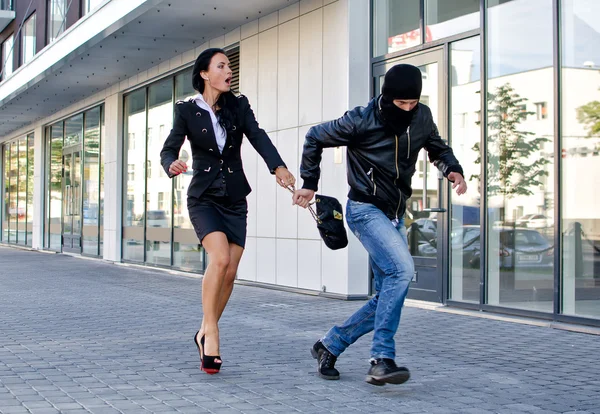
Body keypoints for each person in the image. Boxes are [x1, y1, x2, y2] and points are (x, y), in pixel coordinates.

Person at [293, 64, 466, 386]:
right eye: (401, 104)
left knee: (390, 290)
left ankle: (330, 345)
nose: (408, 109)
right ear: (387, 98)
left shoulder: (422, 116)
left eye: (413, 103)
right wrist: (309, 182)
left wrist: (451, 168)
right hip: (364, 209)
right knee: (401, 272)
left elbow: (436, 146)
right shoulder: (361, 119)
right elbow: (314, 136)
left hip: (395, 212)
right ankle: (381, 358)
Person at [161, 48, 295, 374]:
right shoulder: (187, 111)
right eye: (221, 66)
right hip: (204, 197)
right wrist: (171, 164)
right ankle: (213, 333)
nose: (228, 71)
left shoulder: (239, 105)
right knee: (219, 259)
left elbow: (258, 136)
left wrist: (277, 166)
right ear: (205, 74)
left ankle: (203, 331)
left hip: (235, 199)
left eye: (229, 66)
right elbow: (169, 148)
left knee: (230, 272)